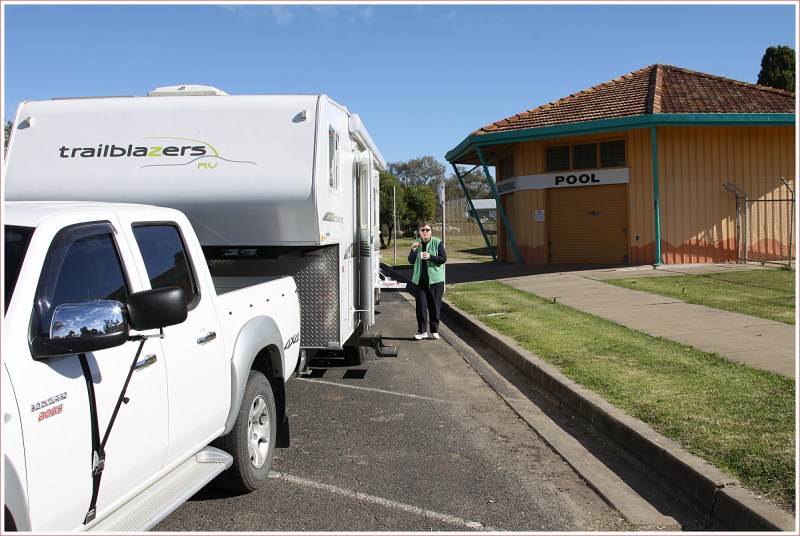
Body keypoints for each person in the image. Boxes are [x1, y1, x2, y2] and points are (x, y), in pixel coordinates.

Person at [407, 221, 447, 340]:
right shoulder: (416, 244)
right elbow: (411, 261)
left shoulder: (437, 242)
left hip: (435, 281)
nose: (425, 232)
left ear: (431, 231)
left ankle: (434, 330)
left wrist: (431, 257)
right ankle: (422, 331)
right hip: (419, 281)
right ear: (419, 232)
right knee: (421, 306)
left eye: (427, 230)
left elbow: (443, 259)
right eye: (423, 230)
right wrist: (412, 250)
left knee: (435, 306)